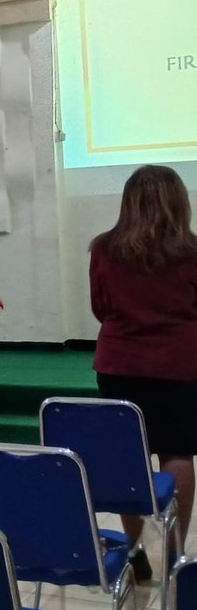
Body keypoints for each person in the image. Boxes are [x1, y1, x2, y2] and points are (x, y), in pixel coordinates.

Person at [89, 164, 197, 575]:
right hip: (181, 364)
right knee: (177, 452)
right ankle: (175, 554)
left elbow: (101, 307)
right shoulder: (192, 251)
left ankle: (133, 551)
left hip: (119, 363)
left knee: (127, 456)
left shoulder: (104, 248)